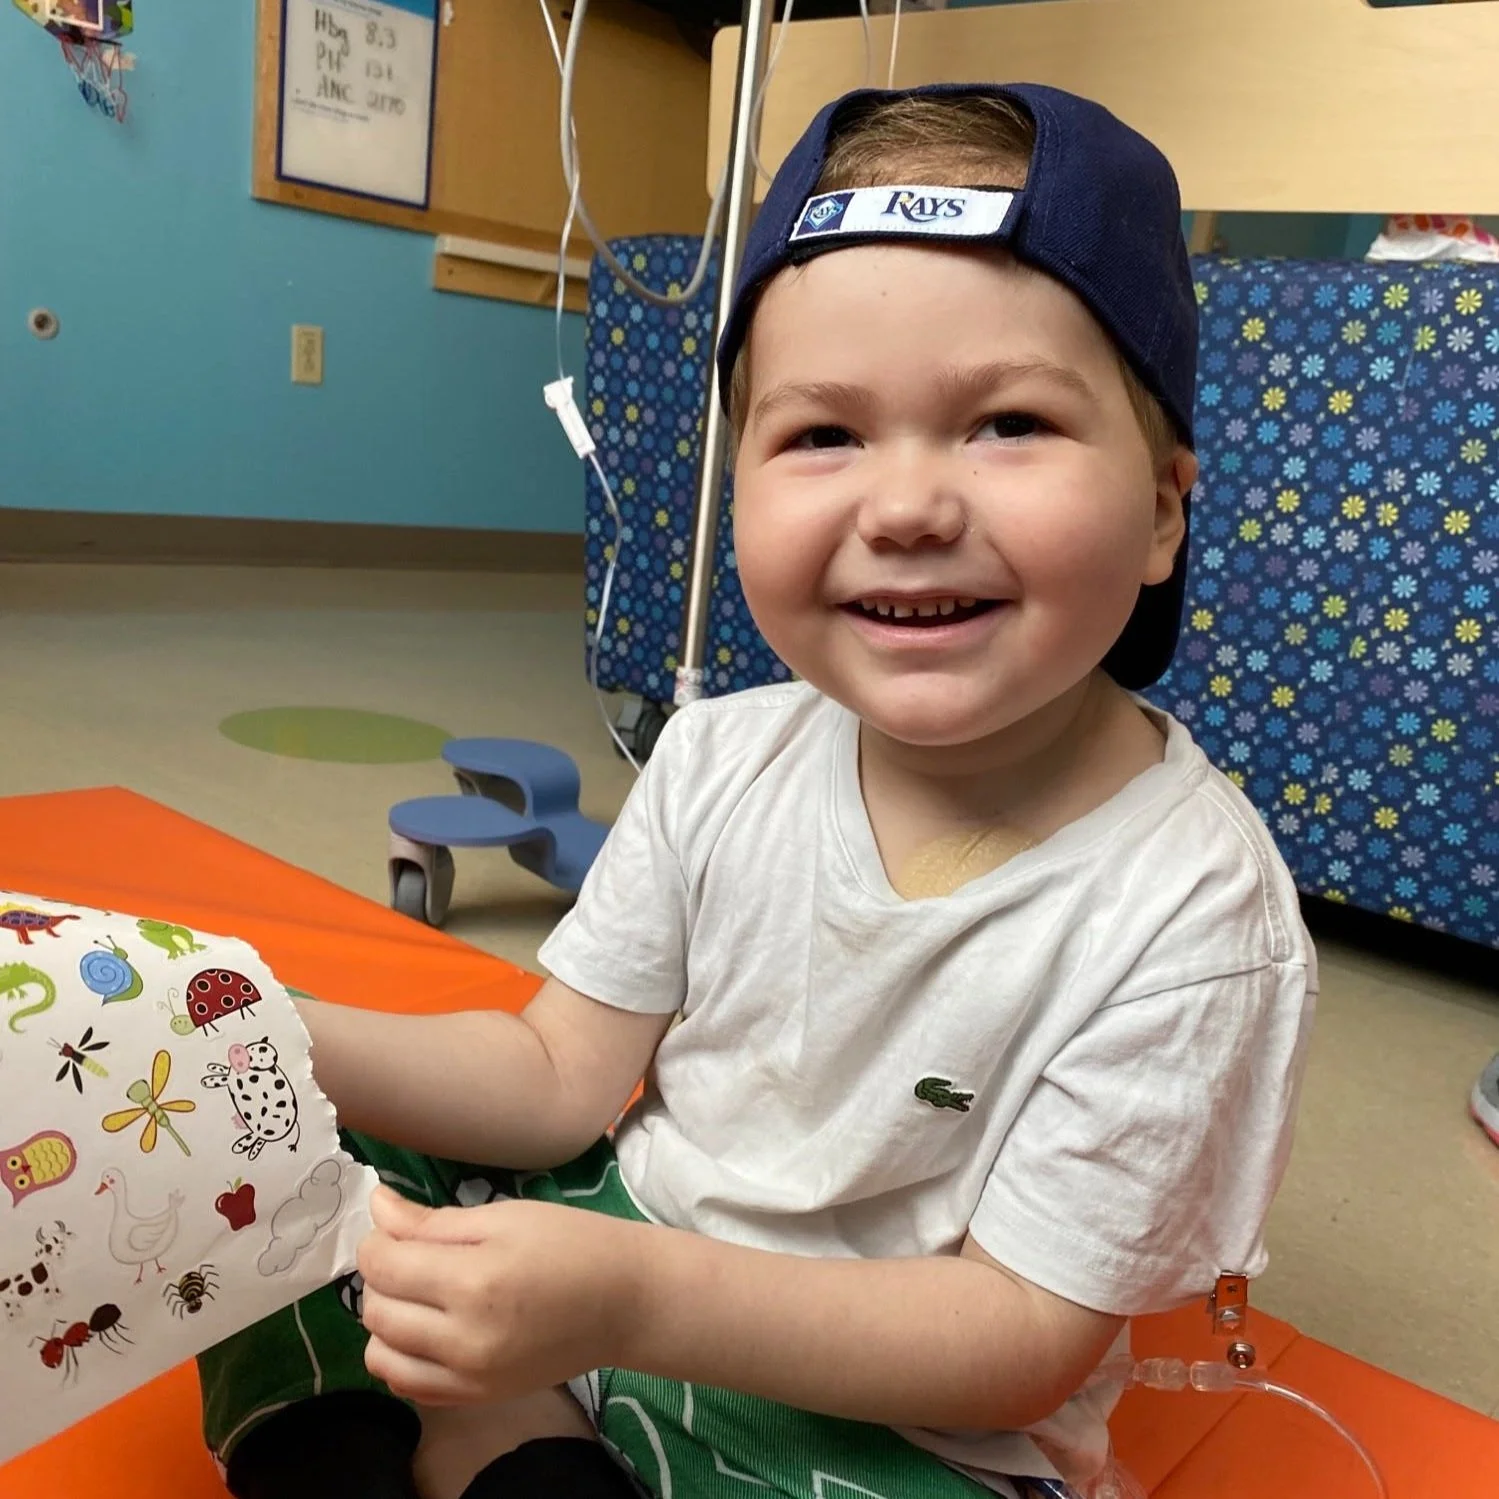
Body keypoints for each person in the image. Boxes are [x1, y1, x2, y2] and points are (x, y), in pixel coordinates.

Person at [201, 82, 1316, 1499]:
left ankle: (508, 1444)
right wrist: (264, 1024)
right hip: (612, 1254)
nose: (905, 505)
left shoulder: (1191, 907)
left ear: (1162, 506)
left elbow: (1020, 1334)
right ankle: (379, 1447)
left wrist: (632, 1301)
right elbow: (555, 1081)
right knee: (262, 1129)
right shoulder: (723, 752)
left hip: (886, 1427)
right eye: (821, 437)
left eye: (1007, 422)